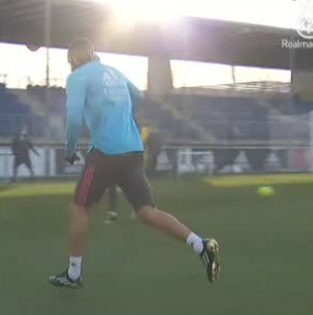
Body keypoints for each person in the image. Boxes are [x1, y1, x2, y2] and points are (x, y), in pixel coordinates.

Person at [48, 39, 220, 288]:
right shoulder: (115, 72)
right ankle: (201, 244)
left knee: (79, 208)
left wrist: (70, 149)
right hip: (133, 149)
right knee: (146, 212)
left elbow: (73, 117)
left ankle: (74, 274)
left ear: (73, 60)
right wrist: (121, 115)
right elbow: (137, 96)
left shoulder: (77, 78)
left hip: (105, 152)